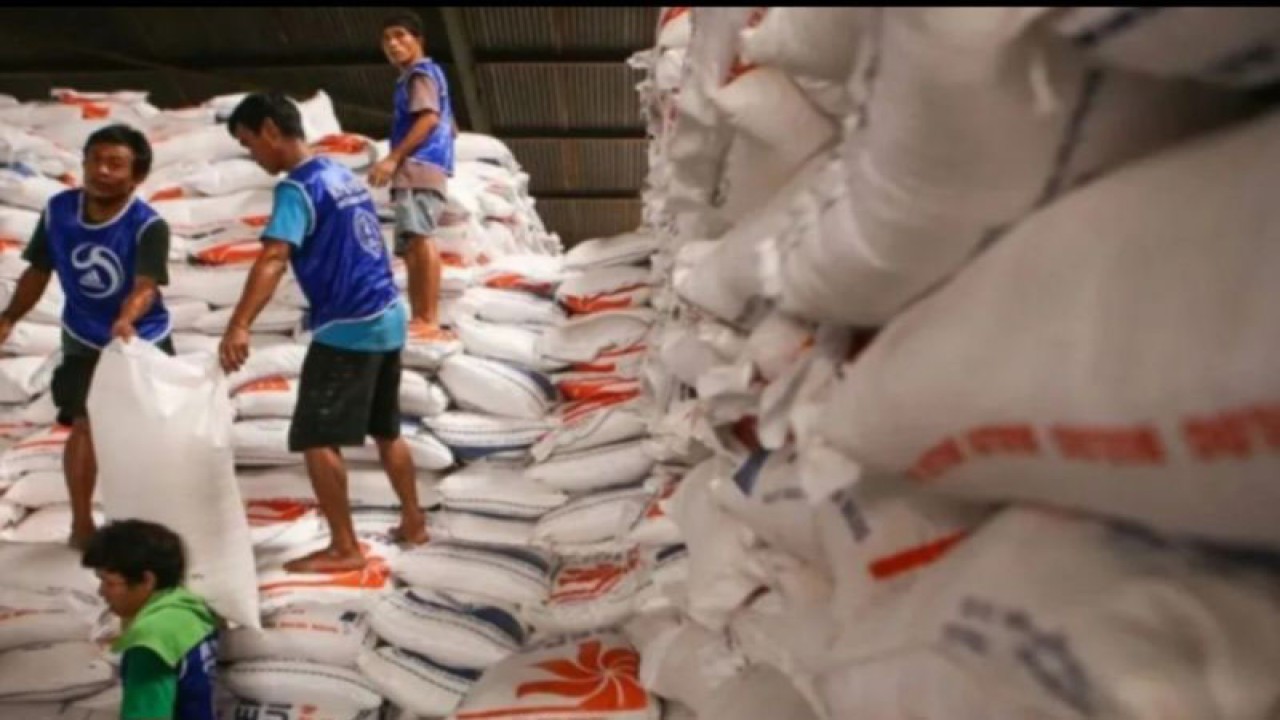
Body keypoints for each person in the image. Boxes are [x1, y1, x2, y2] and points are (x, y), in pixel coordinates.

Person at [219, 92, 428, 574]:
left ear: (270, 130)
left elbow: (274, 257)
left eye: (250, 143)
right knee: (386, 430)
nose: (254, 156)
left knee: (316, 436)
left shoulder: (298, 188)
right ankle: (414, 522)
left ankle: (344, 548)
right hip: (386, 315)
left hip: (348, 327)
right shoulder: (338, 173)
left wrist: (239, 324)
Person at [0, 124, 173, 550]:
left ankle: (152, 519)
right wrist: (9, 317)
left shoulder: (148, 225)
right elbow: (38, 271)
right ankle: (81, 524)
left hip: (142, 337)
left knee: (152, 428)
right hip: (83, 334)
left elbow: (147, 286)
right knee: (84, 423)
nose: (102, 171)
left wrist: (127, 319)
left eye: (115, 164)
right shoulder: (58, 211)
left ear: (137, 176)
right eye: (95, 160)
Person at [368, 11, 457, 341]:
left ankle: (427, 318)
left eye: (400, 35)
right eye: (386, 39)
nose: (393, 44)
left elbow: (429, 119)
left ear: (418, 40)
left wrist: (393, 158)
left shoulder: (420, 74)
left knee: (420, 237)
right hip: (423, 167)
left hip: (419, 165)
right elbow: (450, 126)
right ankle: (421, 316)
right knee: (411, 243)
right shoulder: (424, 77)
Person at [82, 519, 218, 720]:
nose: (101, 592)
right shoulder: (189, 610)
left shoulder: (150, 641)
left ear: (147, 580)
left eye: (109, 583)